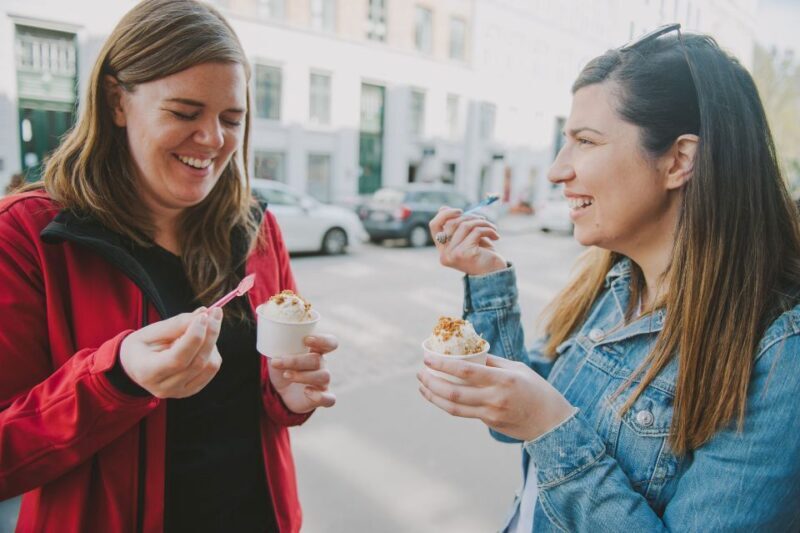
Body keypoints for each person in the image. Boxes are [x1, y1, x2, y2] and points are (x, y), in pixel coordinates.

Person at [420, 25, 800, 531]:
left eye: (585, 141)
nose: (557, 170)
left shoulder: (780, 352)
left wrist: (549, 425)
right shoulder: (616, 284)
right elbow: (517, 423)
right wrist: (486, 278)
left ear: (679, 160)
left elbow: (543, 422)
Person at [0, 1, 337, 531]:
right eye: (184, 113)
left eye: (232, 119)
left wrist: (285, 396)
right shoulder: (26, 235)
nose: (214, 139)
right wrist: (117, 379)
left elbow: (260, 396)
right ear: (117, 101)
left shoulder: (257, 227)